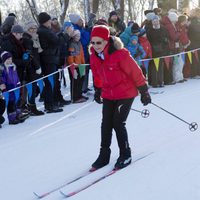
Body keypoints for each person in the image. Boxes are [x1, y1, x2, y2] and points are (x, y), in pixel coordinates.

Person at [89, 25, 151, 170]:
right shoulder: (94, 56)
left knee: (118, 123)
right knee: (106, 124)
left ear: (106, 40)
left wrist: (144, 91)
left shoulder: (120, 54)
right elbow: (97, 74)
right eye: (93, 42)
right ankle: (104, 155)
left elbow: (135, 72)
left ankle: (125, 154)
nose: (96, 46)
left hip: (126, 93)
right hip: (108, 93)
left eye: (99, 42)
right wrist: (98, 90)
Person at [37, 12, 63, 113]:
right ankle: (49, 106)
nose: (50, 22)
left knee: (51, 82)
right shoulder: (44, 31)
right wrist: (65, 35)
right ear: (45, 21)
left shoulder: (45, 30)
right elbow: (57, 41)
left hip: (49, 59)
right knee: (50, 83)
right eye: (49, 21)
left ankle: (52, 103)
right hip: (49, 60)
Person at [0, 51, 27, 124]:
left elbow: (17, 77)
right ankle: (12, 118)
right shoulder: (3, 69)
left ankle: (18, 115)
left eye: (10, 59)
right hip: (9, 89)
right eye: (7, 59)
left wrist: (19, 85)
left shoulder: (13, 67)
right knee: (11, 103)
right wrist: (4, 87)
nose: (9, 61)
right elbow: (2, 79)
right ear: (4, 60)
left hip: (16, 88)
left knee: (17, 101)